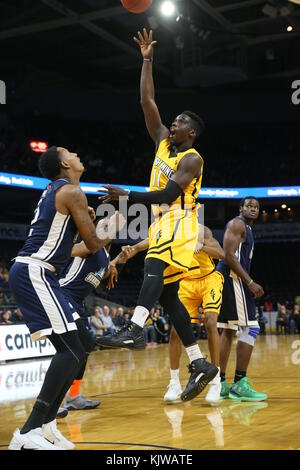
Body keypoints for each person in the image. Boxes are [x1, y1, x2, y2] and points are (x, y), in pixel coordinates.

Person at [97, 28, 218, 402]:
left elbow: (167, 193)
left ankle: (135, 327)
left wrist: (126, 195)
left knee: (152, 266)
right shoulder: (163, 144)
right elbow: (146, 100)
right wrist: (147, 60)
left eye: (180, 122)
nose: (173, 124)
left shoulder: (191, 158)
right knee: (167, 297)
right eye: (174, 121)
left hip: (180, 220)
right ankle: (200, 363)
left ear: (192, 132)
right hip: (165, 220)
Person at [7, 146, 121, 450]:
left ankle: (45, 425)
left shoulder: (61, 192)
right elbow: (93, 244)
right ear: (64, 163)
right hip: (36, 272)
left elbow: (63, 242)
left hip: (37, 272)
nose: (78, 154)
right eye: (71, 152)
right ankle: (29, 431)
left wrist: (80, 217)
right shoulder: (71, 191)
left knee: (80, 347)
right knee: (71, 351)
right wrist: (113, 227)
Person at [56, 236, 130, 415]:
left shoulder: (104, 257)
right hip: (64, 296)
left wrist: (119, 260)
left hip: (78, 303)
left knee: (85, 346)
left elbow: (101, 274)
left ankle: (73, 397)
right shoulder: (90, 246)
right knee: (71, 348)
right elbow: (70, 250)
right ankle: (54, 400)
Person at [217, 196, 268, 402]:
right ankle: (239, 382)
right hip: (234, 279)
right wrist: (249, 282)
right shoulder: (237, 223)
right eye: (249, 206)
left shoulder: (246, 228)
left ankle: (220, 383)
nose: (253, 209)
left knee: (228, 330)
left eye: (256, 207)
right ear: (241, 208)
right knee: (251, 328)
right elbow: (228, 255)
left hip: (233, 280)